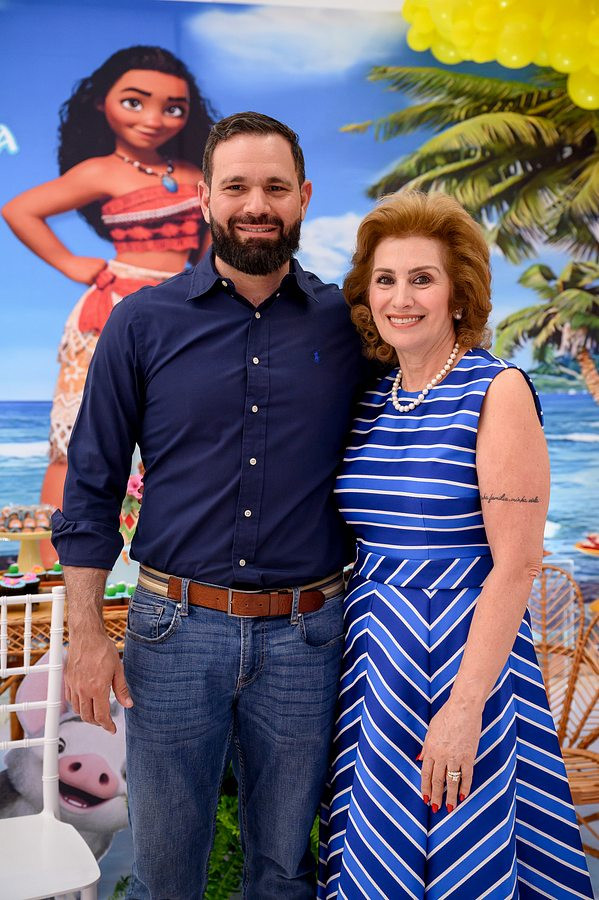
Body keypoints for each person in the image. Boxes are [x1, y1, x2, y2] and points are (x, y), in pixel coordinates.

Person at [51, 112, 370, 899]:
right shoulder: (141, 321)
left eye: (274, 187)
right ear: (205, 198)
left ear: (302, 197)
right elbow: (91, 482)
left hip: (309, 637)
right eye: (236, 187)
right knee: (165, 873)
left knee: (284, 871)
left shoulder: (350, 325)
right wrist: (87, 634)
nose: (255, 204)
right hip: (171, 634)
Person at [317, 191, 594, 899]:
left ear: (458, 293)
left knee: (463, 844)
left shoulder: (496, 389)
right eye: (385, 279)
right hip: (374, 664)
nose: (400, 298)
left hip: (464, 660)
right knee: (378, 853)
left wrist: (465, 709)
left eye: (422, 279)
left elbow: (517, 566)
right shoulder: (373, 397)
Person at [2, 45, 213, 517]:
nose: (153, 120)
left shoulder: (195, 173)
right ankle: (58, 551)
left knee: (167, 432)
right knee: (77, 435)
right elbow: (19, 209)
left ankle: (137, 551)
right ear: (102, 103)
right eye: (134, 102)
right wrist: (71, 263)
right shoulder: (101, 170)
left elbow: (206, 244)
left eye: (173, 108)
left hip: (177, 312)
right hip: (112, 308)